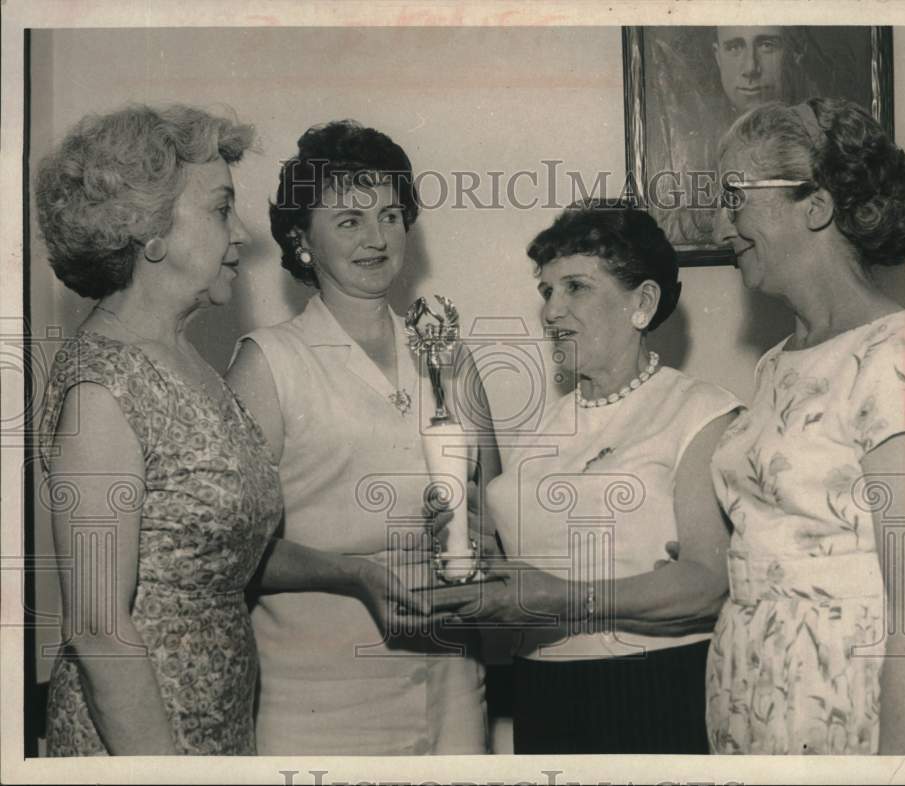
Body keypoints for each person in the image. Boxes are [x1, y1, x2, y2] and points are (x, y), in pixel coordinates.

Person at [225, 119, 499, 755]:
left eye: (390, 215)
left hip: (452, 685)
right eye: (348, 221)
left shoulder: (451, 355)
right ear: (301, 242)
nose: (377, 238)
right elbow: (233, 550)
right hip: (317, 699)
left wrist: (478, 533)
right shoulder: (266, 363)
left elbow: (496, 519)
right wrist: (352, 575)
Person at [431, 202, 742, 753]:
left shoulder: (700, 413)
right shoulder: (549, 424)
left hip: (652, 691)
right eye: (547, 291)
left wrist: (560, 597)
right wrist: (465, 537)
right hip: (543, 694)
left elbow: (708, 583)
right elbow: (526, 571)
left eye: (575, 287)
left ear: (641, 303)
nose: (551, 311)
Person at [707, 97, 905, 754]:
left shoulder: (897, 353)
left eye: (735, 197)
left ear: (815, 205)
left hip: (846, 699)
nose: (719, 227)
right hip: (754, 690)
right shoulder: (773, 365)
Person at [34, 104, 282, 755]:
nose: (243, 236)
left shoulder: (184, 358)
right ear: (149, 230)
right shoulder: (100, 389)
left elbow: (216, 551)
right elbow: (94, 627)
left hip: (218, 731)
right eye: (221, 209)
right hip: (139, 750)